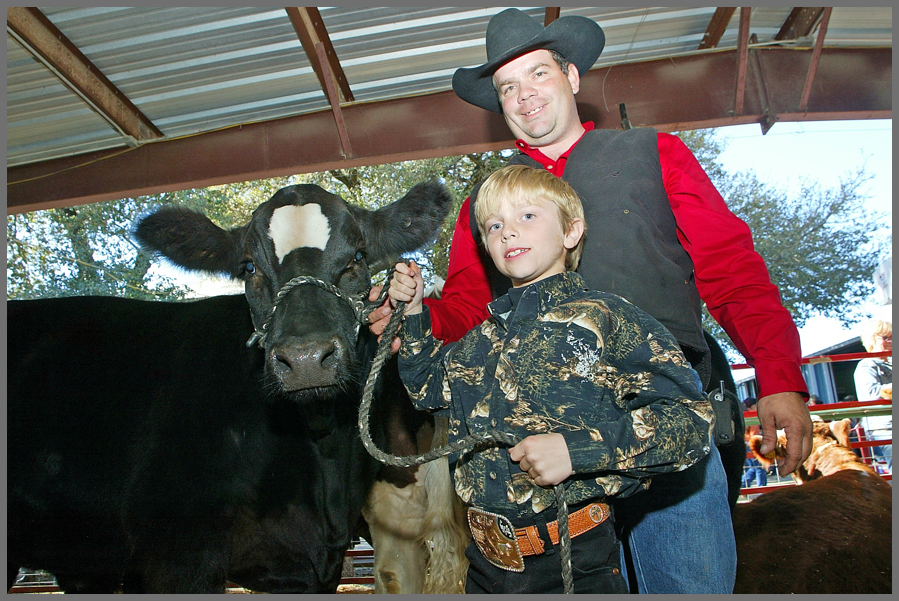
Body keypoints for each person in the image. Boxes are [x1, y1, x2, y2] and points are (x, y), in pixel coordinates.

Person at [369, 9, 812, 593]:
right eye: (508, 88)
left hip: (661, 428)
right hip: (542, 464)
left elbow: (732, 273)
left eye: (538, 76)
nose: (525, 97)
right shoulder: (491, 200)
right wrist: (412, 318)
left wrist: (779, 376)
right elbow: (467, 310)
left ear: (572, 77)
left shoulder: (655, 154)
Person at [386, 165, 717, 593]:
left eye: (526, 216)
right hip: (485, 567)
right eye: (494, 225)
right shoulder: (481, 340)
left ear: (571, 232)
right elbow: (427, 390)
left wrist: (575, 451)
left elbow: (691, 422)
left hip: (572, 561)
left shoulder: (607, 317)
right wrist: (413, 317)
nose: (507, 232)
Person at [854, 319, 892, 471]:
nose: (890, 341)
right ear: (872, 340)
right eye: (885, 338)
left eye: (893, 337)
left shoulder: (890, 364)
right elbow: (871, 393)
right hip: (884, 428)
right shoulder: (867, 365)